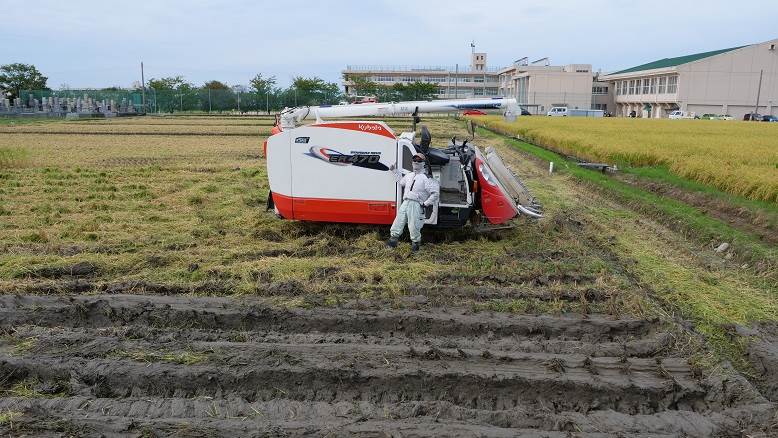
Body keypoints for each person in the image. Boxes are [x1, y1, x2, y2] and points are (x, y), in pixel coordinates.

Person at [386, 153, 439, 251]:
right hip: (405, 202)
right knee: (398, 222)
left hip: (416, 205)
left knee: (414, 226)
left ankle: (415, 248)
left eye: (419, 160)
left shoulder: (427, 178)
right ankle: (392, 244)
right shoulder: (409, 175)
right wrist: (394, 170)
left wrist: (425, 204)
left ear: (424, 163)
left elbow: (435, 194)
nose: (416, 162)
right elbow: (401, 181)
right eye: (414, 160)